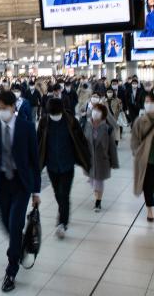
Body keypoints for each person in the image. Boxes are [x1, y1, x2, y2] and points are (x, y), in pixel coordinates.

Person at [0, 91, 40, 292]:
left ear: (12, 107)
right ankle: (19, 243)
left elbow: (35, 161)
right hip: (1, 184)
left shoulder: (27, 128)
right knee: (7, 225)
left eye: (3, 107)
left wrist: (36, 191)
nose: (0, 111)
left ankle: (11, 269)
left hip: (21, 184)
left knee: (15, 225)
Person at [37, 98, 90, 238]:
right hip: (51, 165)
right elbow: (38, 143)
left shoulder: (71, 121)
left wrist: (86, 163)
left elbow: (81, 141)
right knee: (57, 193)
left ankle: (62, 224)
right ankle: (63, 212)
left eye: (55, 113)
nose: (53, 116)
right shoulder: (44, 122)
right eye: (51, 113)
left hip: (67, 164)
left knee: (64, 194)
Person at [131, 94, 154, 222]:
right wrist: (137, 152)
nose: (148, 104)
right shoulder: (140, 121)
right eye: (146, 101)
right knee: (148, 185)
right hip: (145, 159)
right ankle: (150, 210)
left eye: (151, 102)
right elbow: (134, 140)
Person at [83, 103, 119, 212]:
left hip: (102, 159)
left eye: (98, 111)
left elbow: (112, 147)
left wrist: (114, 162)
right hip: (90, 160)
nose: (95, 112)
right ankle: (97, 195)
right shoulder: (87, 125)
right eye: (94, 110)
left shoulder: (107, 128)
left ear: (103, 114)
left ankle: (98, 202)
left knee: (99, 182)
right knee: (93, 181)